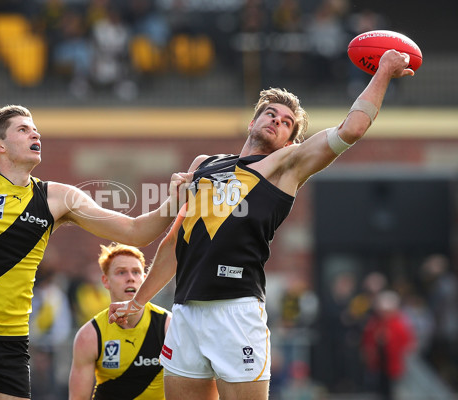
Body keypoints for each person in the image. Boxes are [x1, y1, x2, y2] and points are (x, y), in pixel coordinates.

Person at [109, 49, 415, 400]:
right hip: (185, 311)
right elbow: (174, 244)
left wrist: (385, 72)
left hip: (235, 310)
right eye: (270, 114)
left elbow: (353, 127)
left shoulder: (287, 165)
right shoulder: (204, 164)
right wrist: (138, 302)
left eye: (286, 122)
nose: (276, 121)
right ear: (252, 122)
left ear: (289, 141)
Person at [0, 104, 189, 400]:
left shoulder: (58, 198)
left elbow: (135, 231)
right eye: (23, 129)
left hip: (11, 343)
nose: (36, 133)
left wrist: (174, 202)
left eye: (35, 128)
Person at [69, 242, 171, 400]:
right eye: (121, 272)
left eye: (136, 272)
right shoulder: (90, 335)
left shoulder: (168, 325)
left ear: (145, 279)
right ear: (105, 281)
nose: (130, 278)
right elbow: (78, 398)